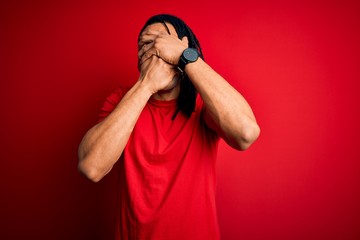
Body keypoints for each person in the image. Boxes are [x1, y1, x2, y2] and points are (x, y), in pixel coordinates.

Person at [78, 14, 260, 240]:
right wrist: (146, 85)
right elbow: (91, 167)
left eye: (162, 42)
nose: (154, 51)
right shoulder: (120, 101)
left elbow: (246, 132)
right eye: (145, 44)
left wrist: (186, 57)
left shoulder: (203, 105)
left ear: (183, 47)